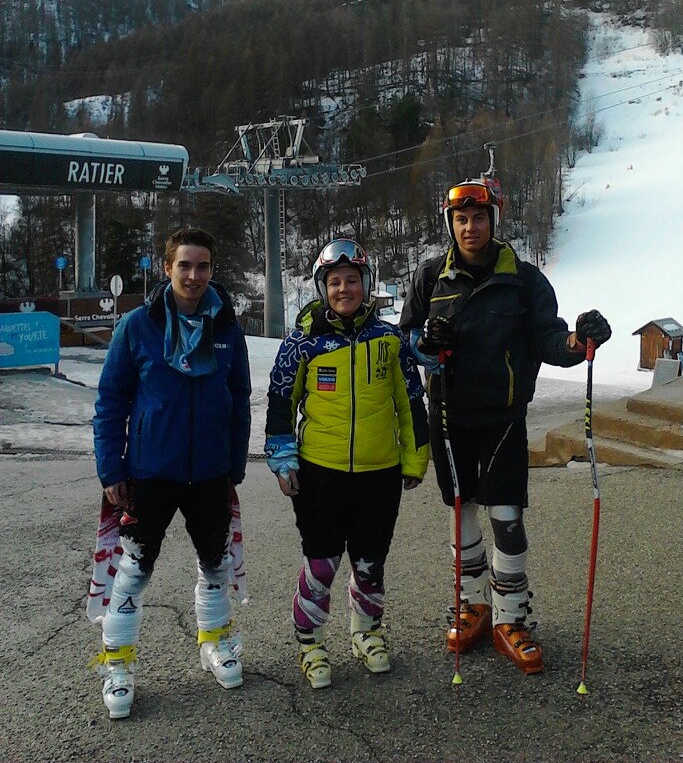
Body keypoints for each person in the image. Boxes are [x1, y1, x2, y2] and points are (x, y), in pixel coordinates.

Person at [399, 177, 611, 674]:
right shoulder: (430, 277)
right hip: (449, 414)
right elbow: (407, 340)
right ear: (450, 224)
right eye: (460, 219)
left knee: (507, 516)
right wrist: (426, 343)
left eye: (478, 218)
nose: (469, 227)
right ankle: (473, 605)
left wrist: (578, 341)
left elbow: (548, 339)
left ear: (493, 221)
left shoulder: (524, 279)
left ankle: (511, 617)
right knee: (462, 512)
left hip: (503, 417)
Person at [90, 227, 252, 718]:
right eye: (184, 265)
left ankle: (215, 643)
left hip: (210, 472)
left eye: (203, 266)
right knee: (133, 570)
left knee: (215, 564)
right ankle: (117, 665)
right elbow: (110, 401)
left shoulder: (227, 327)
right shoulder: (137, 325)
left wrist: (234, 464)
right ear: (167, 268)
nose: (194, 275)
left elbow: (240, 398)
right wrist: (111, 469)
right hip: (149, 472)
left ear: (211, 270)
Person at [264, 238, 429, 689]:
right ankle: (310, 642)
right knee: (322, 565)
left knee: (370, 563)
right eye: (334, 282)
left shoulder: (390, 340)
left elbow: (411, 401)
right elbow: (281, 401)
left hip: (380, 473)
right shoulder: (302, 341)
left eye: (352, 280)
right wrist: (282, 457)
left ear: (366, 284)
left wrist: (415, 459)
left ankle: (366, 633)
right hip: (320, 471)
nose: (343, 289)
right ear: (323, 288)